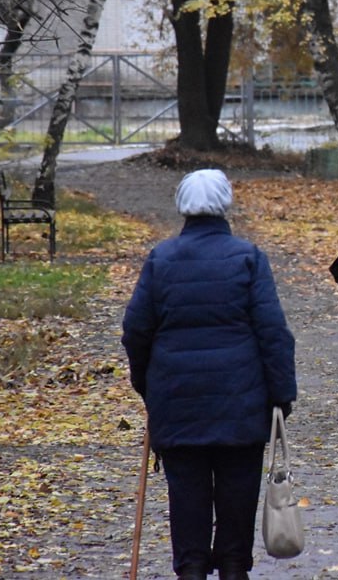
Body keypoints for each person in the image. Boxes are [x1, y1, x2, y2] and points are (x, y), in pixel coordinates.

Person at [121, 169, 297, 580]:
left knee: (187, 500)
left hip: (177, 406)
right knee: (238, 500)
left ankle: (193, 570)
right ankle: (235, 568)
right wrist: (280, 396)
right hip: (241, 406)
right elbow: (274, 333)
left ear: (182, 205)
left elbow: (135, 332)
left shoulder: (161, 259)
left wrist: (149, 386)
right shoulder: (248, 257)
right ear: (225, 204)